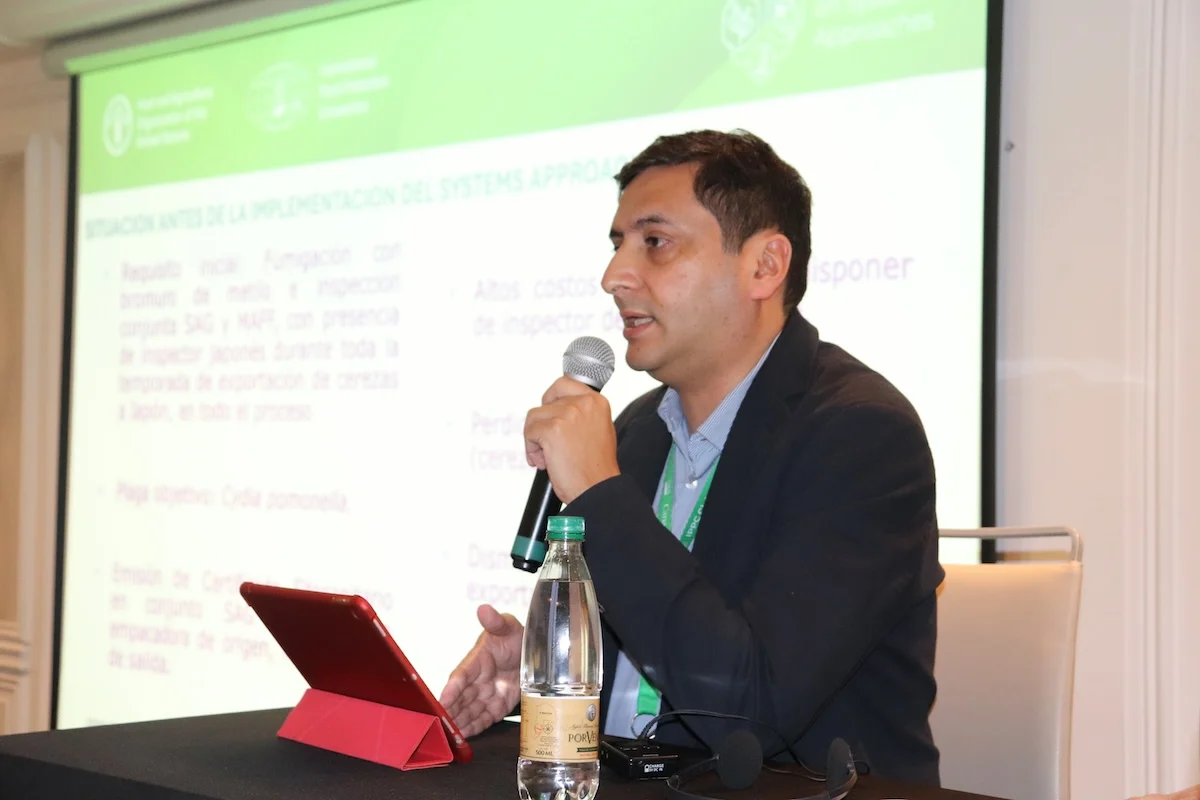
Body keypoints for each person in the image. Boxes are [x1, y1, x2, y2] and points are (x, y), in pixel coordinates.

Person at [438, 129, 944, 785]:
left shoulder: (861, 436)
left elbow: (753, 714)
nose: (614, 277)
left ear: (764, 266)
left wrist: (599, 494)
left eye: (654, 242)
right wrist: (550, 672)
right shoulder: (638, 431)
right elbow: (655, 643)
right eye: (617, 244)